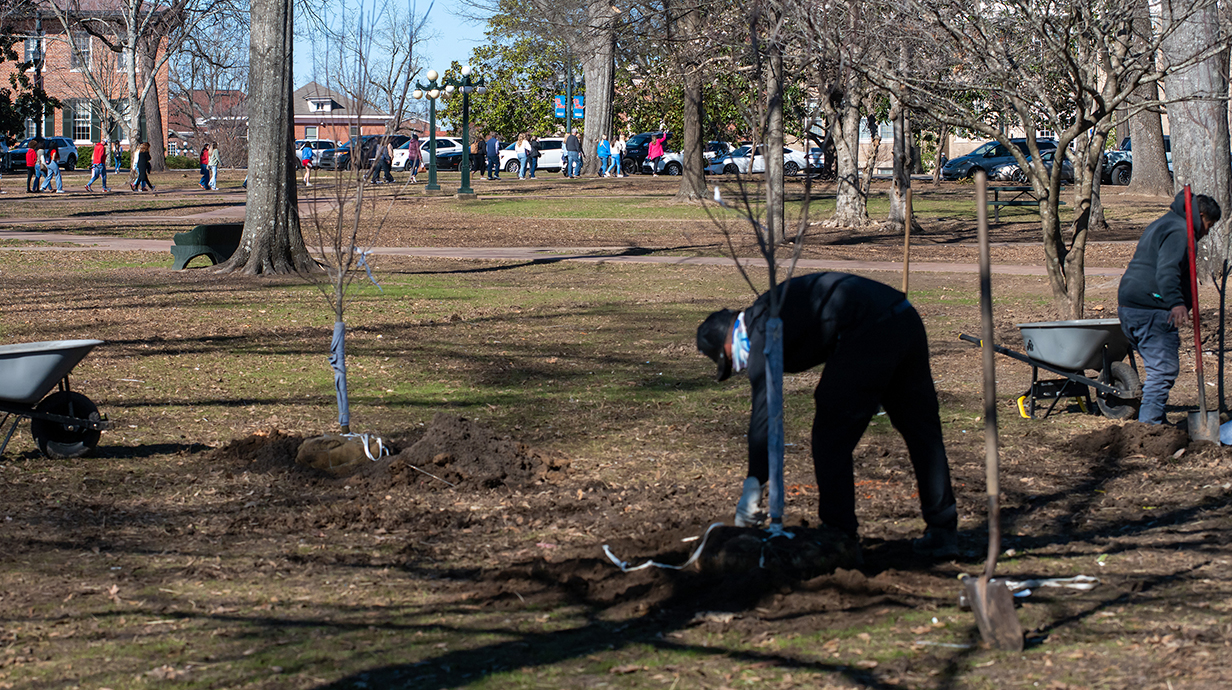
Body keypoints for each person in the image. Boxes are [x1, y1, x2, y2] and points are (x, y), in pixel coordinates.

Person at [696, 272, 959, 557]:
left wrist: (754, 482)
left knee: (830, 434)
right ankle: (942, 530)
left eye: (728, 361)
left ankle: (839, 532)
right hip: (902, 316)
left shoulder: (760, 329)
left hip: (869, 327)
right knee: (921, 430)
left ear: (727, 340)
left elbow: (765, 412)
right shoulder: (770, 309)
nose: (737, 367)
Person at [1118, 191, 1222, 425]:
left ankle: (1157, 420)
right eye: (1209, 225)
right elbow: (1167, 270)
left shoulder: (1164, 222)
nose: (1206, 232)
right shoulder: (1179, 231)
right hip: (1152, 308)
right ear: (1201, 215)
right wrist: (1176, 303)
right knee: (1162, 370)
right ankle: (1150, 427)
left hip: (1131, 306)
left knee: (1158, 368)